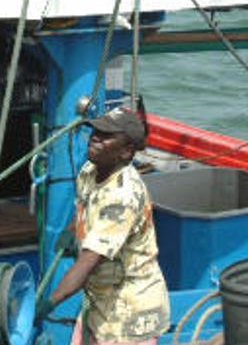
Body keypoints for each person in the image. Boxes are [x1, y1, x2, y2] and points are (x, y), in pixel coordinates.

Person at [38, 106, 170, 345]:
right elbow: (87, 211)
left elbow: (89, 260)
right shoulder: (90, 171)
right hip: (98, 304)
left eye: (107, 135)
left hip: (128, 315)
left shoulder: (122, 196)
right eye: (96, 130)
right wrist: (72, 232)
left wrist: (49, 302)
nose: (96, 137)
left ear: (126, 151)